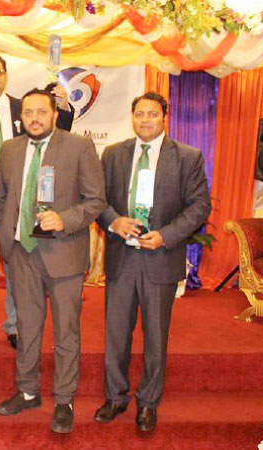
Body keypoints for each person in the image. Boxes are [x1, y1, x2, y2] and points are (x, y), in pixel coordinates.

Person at [95, 92, 211, 432]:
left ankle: (147, 402)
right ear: (132, 117)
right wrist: (114, 221)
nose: (145, 120)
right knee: (116, 334)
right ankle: (115, 397)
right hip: (122, 256)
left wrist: (167, 234)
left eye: (152, 114)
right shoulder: (114, 154)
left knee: (156, 338)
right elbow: (98, 200)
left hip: (160, 256)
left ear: (165, 117)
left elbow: (199, 206)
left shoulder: (188, 157)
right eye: (140, 114)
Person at [0, 89, 105, 434]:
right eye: (29, 113)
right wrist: (7, 237)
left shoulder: (78, 146)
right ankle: (27, 391)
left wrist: (65, 219)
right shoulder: (10, 149)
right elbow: (0, 198)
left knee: (66, 331)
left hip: (63, 254)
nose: (35, 119)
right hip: (22, 252)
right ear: (21, 116)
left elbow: (96, 200)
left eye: (42, 112)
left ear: (55, 114)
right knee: (26, 328)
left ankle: (64, 400)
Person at [0, 54, 74, 349]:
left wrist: (64, 107)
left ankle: (13, 325)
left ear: (5, 76)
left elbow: (59, 133)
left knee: (15, 262)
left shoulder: (25, 108)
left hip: (17, 199)